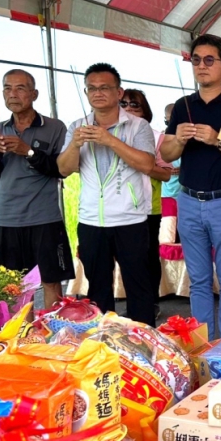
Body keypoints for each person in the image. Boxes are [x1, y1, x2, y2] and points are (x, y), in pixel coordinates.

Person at [160, 34, 221, 339]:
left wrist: (217, 138)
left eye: (209, 60)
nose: (201, 66)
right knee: (199, 280)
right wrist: (179, 139)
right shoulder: (182, 106)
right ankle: (201, 344)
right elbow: (166, 155)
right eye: (196, 60)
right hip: (188, 201)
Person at [58, 63, 156, 325]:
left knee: (139, 287)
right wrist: (75, 145)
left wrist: (110, 140)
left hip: (130, 220)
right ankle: (102, 344)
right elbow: (64, 169)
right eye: (91, 88)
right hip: (91, 221)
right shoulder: (77, 126)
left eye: (104, 88)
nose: (97, 93)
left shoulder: (137, 126)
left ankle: (145, 344)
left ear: (119, 92)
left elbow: (147, 164)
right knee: (98, 290)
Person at [0, 69, 74, 308]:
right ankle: (24, 337)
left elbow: (60, 169)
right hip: (5, 218)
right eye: (7, 88)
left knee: (51, 281)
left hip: (43, 217)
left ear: (34, 94)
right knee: (12, 284)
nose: (13, 94)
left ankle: (53, 336)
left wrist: (28, 151)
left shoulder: (54, 127)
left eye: (20, 88)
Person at [120, 89, 172, 310]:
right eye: (124, 104)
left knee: (148, 257)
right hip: (118, 209)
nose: (129, 109)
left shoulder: (156, 136)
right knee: (126, 258)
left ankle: (151, 303)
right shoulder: (110, 134)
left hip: (148, 208)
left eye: (135, 105)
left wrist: (143, 164)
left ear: (145, 111)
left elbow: (166, 173)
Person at [160, 104, 182, 244]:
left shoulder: (188, 139)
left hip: (185, 195)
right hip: (167, 194)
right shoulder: (161, 138)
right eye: (168, 122)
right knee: (168, 236)